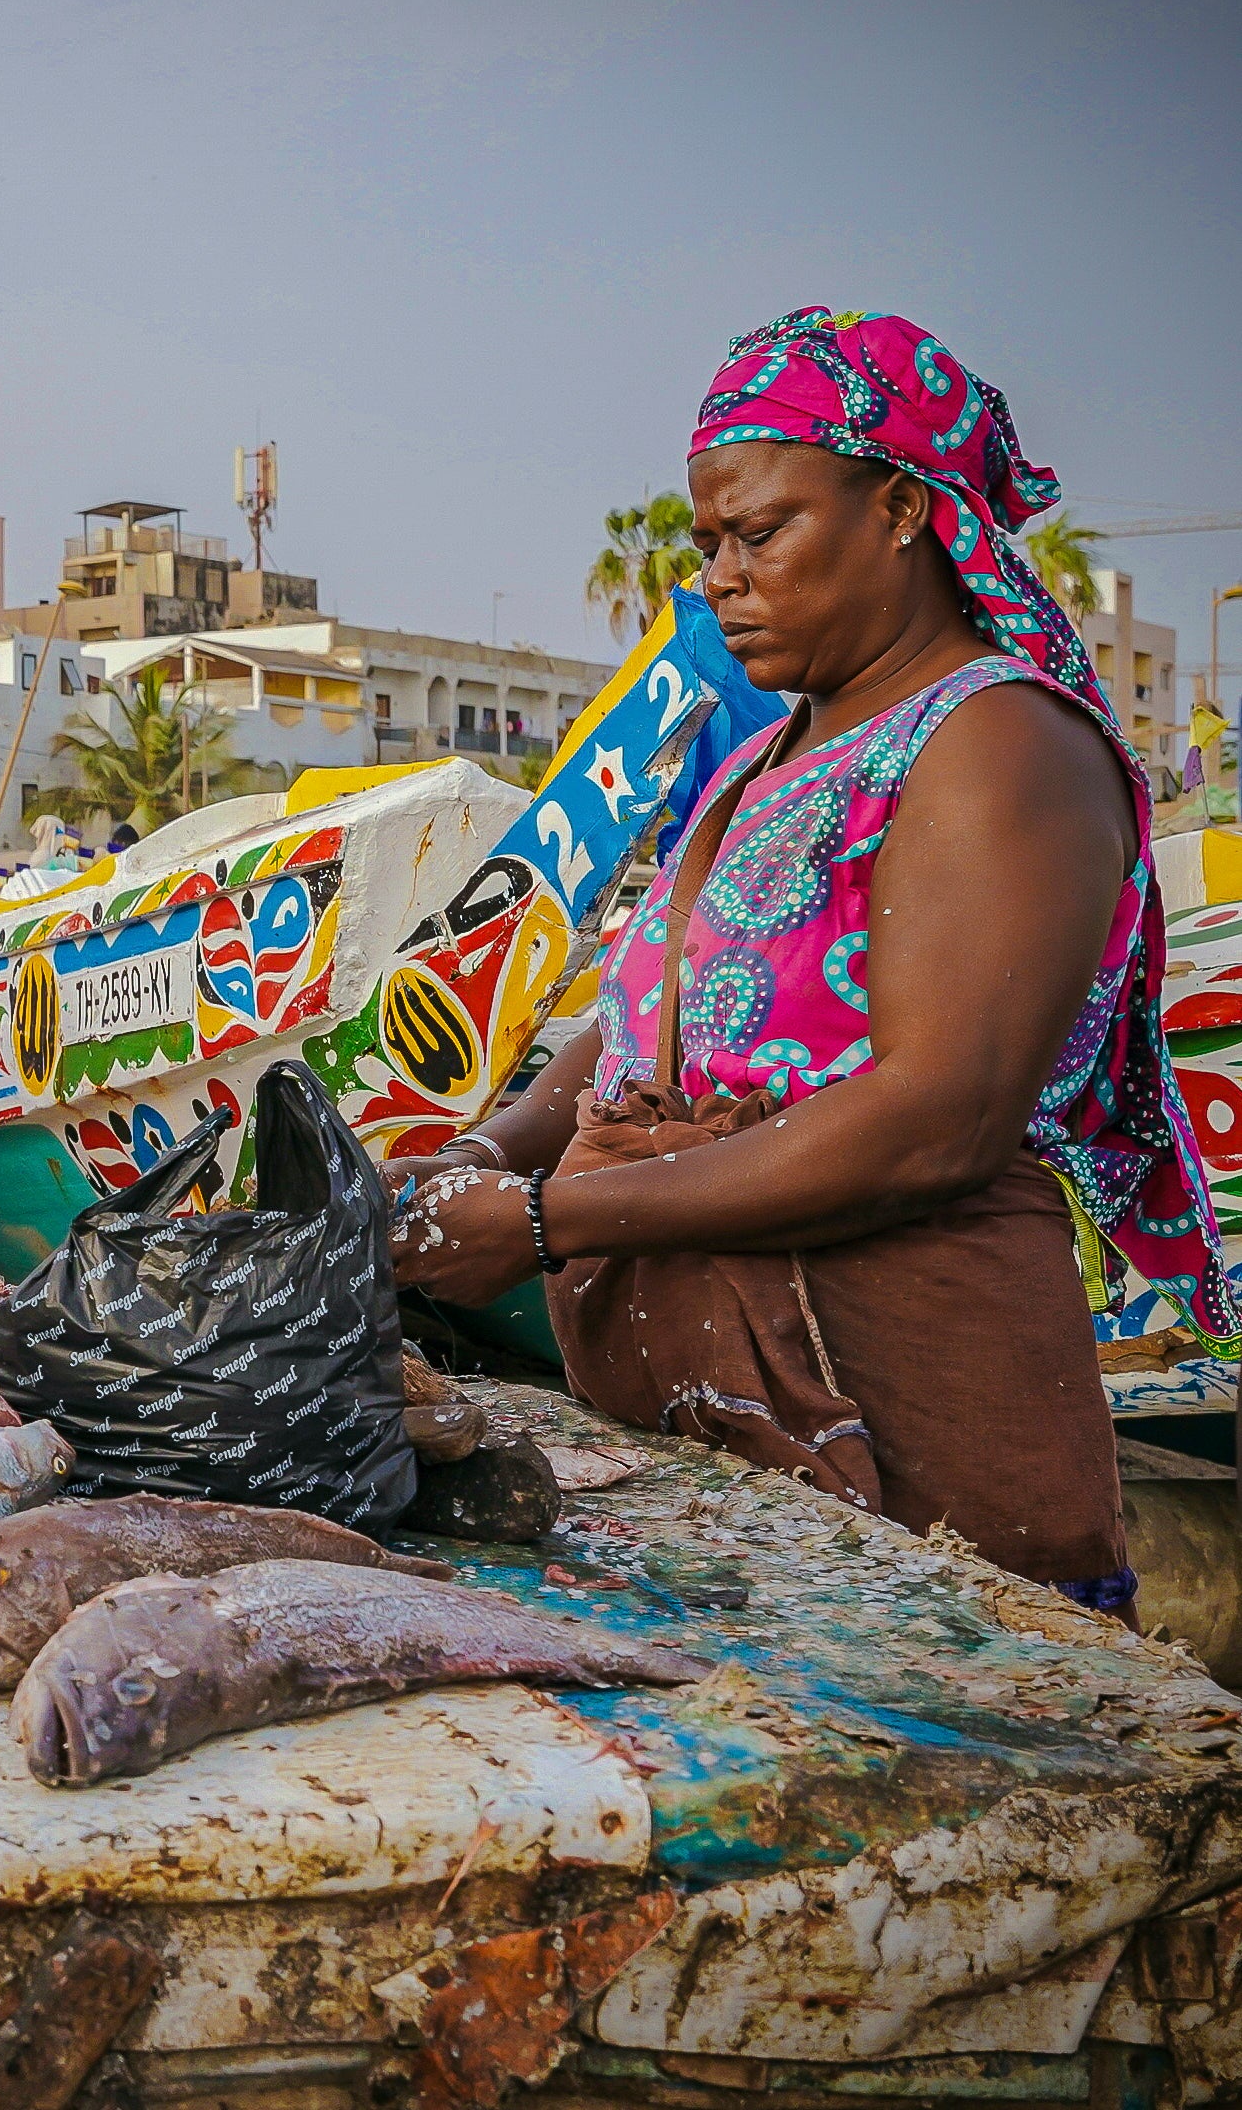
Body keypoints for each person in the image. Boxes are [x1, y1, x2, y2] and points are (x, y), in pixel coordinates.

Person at [388, 308, 1236, 1615]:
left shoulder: (997, 747)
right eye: (706, 542)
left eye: (760, 533)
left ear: (899, 507)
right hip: (726, 1463)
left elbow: (936, 1120)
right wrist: (485, 1154)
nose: (720, 576)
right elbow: (639, 1036)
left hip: (924, 1432)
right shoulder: (755, 765)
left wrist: (548, 1222)